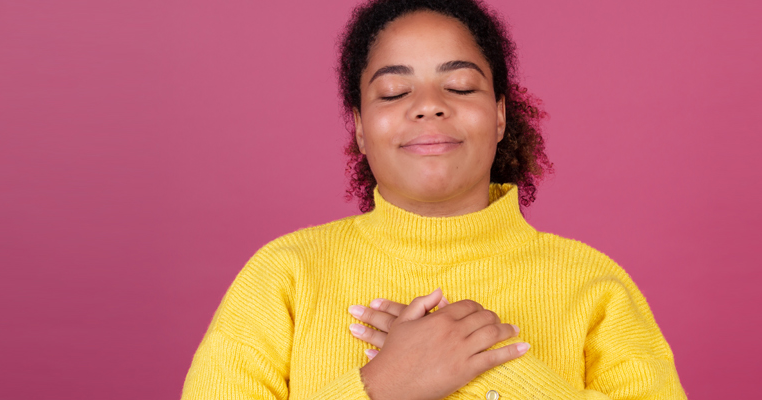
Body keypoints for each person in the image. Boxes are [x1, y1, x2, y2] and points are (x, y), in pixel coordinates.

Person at [180, 1, 685, 399]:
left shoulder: (593, 285)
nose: (428, 106)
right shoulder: (282, 277)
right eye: (395, 92)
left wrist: (496, 370)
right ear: (358, 128)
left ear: (501, 116)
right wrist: (384, 385)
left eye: (460, 86)